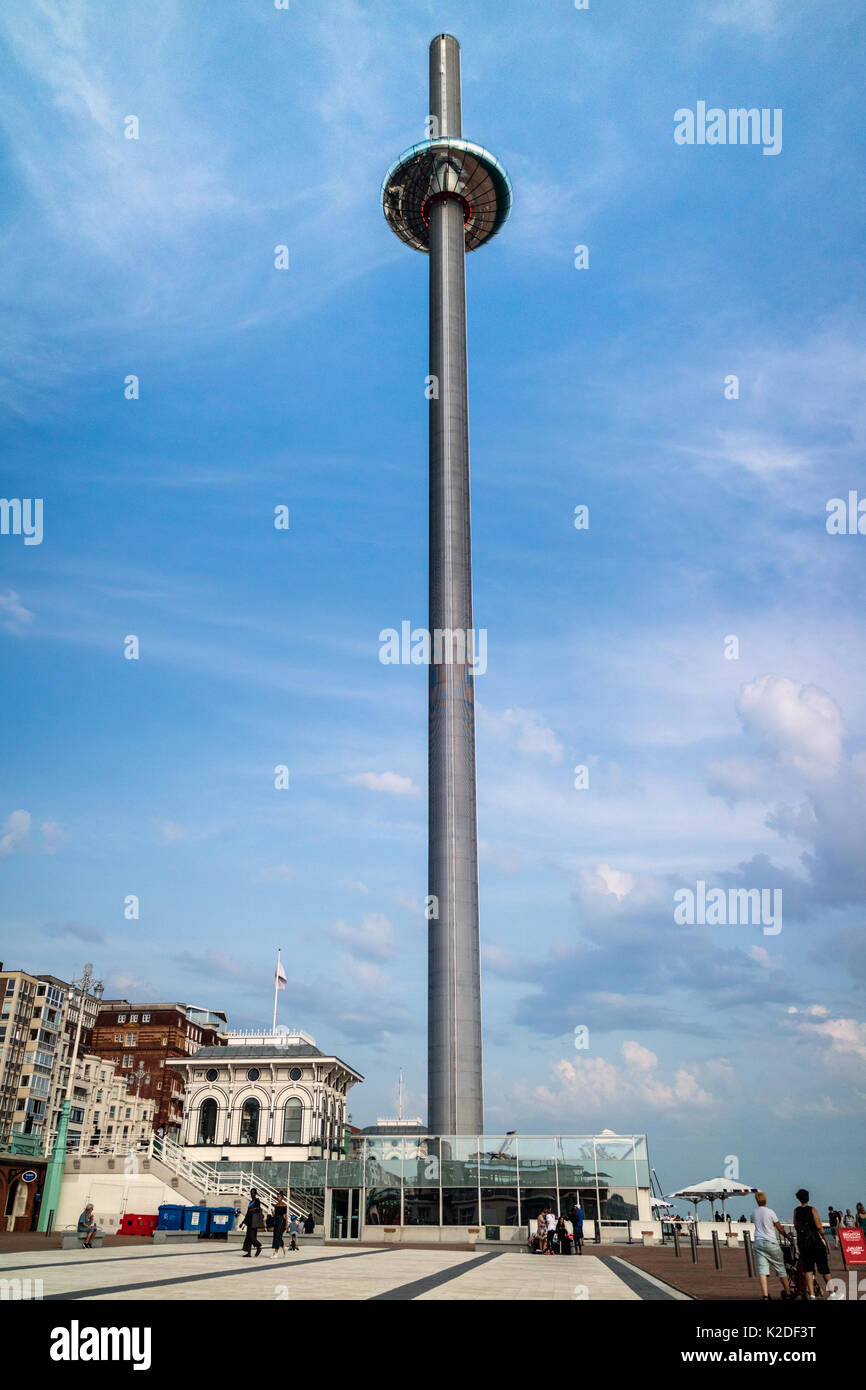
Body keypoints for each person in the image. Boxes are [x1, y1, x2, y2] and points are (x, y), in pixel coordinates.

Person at [749, 1192, 792, 1301]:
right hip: (770, 1242)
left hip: (758, 1242)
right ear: (765, 1200)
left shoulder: (754, 1212)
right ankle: (787, 1293)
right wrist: (787, 1236)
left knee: (763, 1270)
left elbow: (752, 1220)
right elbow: (779, 1228)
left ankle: (765, 1295)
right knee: (781, 1268)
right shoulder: (770, 1212)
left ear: (756, 1200)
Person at [793, 1189, 831, 1299]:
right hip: (815, 1242)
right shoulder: (812, 1209)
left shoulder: (796, 1211)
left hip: (803, 1244)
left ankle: (812, 1295)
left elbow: (796, 1225)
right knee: (824, 1268)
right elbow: (819, 1227)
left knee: (808, 1270)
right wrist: (826, 1241)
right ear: (808, 1198)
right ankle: (832, 1292)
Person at [240, 1188, 264, 1257]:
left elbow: (259, 1208)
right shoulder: (250, 1202)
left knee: (252, 1236)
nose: (252, 1194)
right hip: (249, 1222)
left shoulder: (257, 1200)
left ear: (255, 1193)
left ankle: (259, 1246)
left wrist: (254, 1209)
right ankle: (249, 1253)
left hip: (254, 1222)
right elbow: (247, 1213)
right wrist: (242, 1223)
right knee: (248, 1237)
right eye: (251, 1193)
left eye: (253, 1193)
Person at [270, 1190, 287, 1258]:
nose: (278, 1198)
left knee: (277, 1236)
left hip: (281, 1221)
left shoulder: (284, 1205)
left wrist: (286, 1225)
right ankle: (283, 1247)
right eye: (277, 1196)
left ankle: (276, 1252)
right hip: (276, 1221)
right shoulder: (276, 1205)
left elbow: (285, 1216)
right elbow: (275, 1215)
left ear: (282, 1197)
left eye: (279, 1196)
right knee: (276, 1235)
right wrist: (273, 1214)